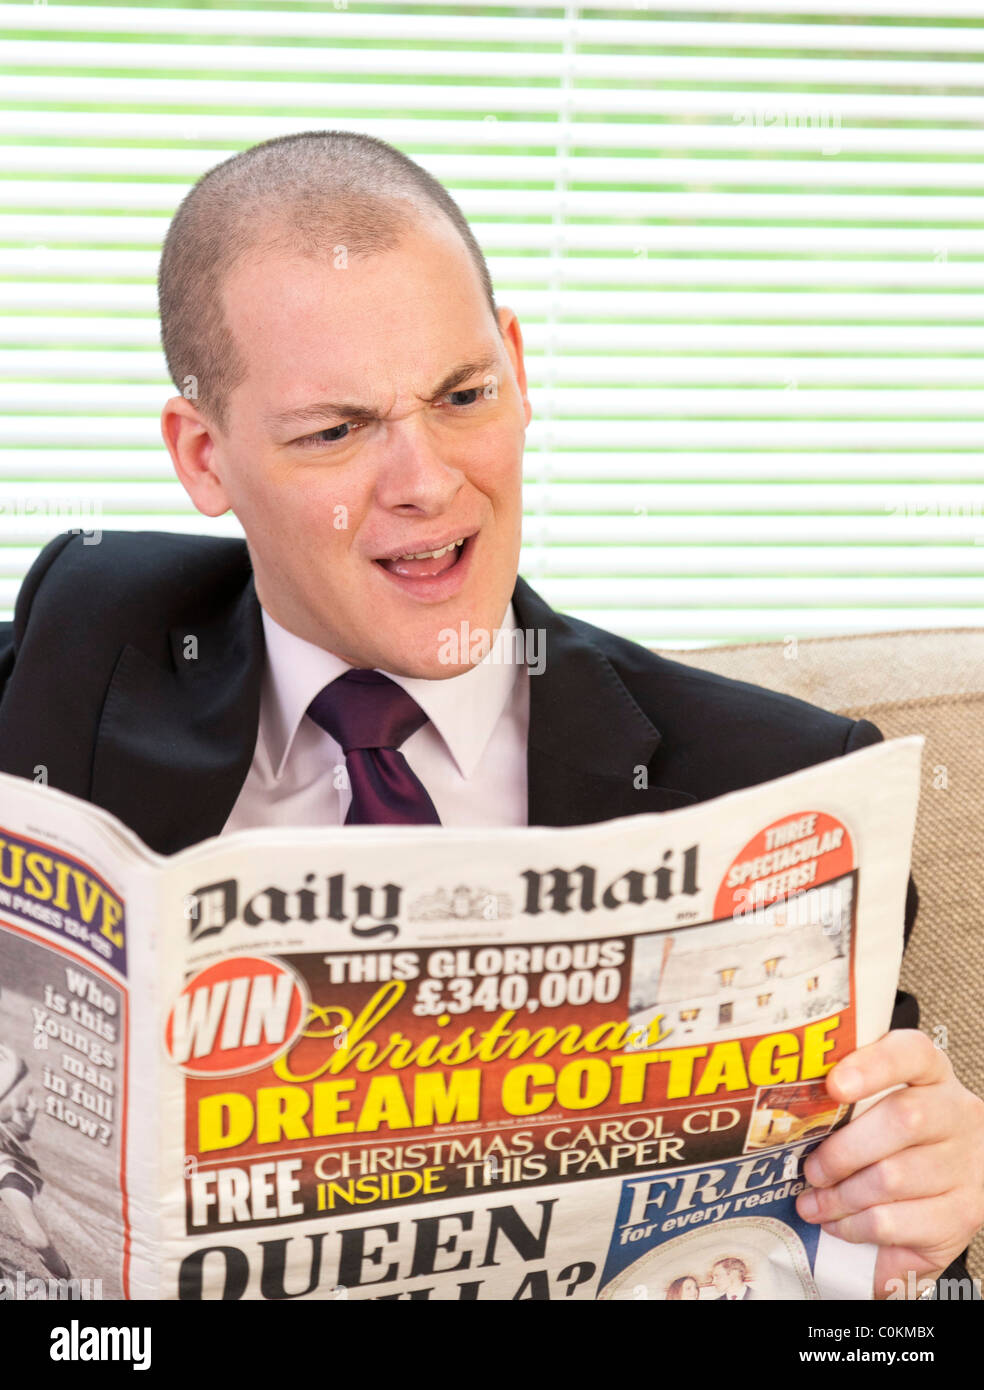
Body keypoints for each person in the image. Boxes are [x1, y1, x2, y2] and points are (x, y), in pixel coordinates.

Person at [0, 131, 980, 1300]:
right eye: (336, 430)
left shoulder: (777, 781)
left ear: (515, 368)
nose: (425, 479)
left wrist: (922, 1225)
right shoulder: (77, 652)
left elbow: (849, 1273)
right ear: (205, 456)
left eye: (463, 396)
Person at [0, 1014, 71, 1281]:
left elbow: (23, 1120)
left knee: (36, 1238)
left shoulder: (9, 1065)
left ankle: (69, 1286)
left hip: (9, 1162)